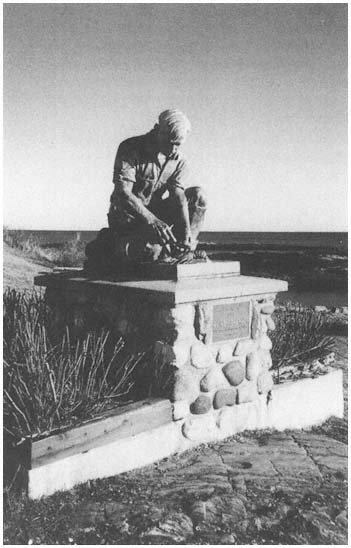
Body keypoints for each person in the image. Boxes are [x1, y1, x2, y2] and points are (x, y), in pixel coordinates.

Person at [85, 109, 207, 272]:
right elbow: (123, 192)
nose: (173, 150)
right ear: (158, 130)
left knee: (199, 196)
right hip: (127, 220)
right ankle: (109, 245)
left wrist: (185, 232)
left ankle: (184, 251)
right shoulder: (130, 148)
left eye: (177, 145)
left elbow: (178, 195)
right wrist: (152, 220)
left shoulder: (178, 161)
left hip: (155, 215)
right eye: (170, 143)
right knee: (151, 252)